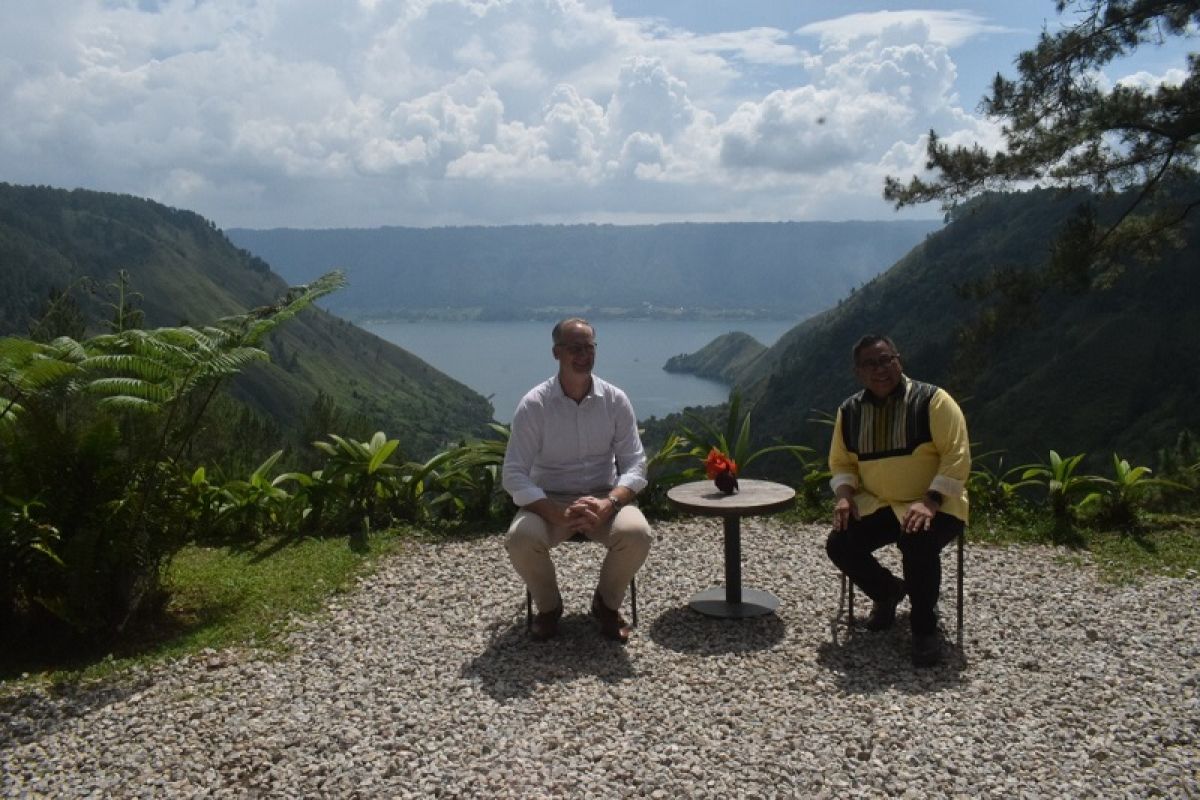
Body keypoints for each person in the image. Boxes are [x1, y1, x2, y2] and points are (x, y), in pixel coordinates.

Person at [502, 318, 652, 644]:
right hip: (550, 500)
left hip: (603, 497)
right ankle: (549, 607)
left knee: (638, 534)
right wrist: (555, 514)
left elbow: (636, 466)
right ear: (557, 353)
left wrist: (609, 502)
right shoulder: (535, 405)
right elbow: (513, 474)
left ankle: (606, 605)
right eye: (575, 348)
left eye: (589, 347)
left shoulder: (615, 400)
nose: (584, 355)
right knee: (520, 539)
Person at [825, 334, 970, 667]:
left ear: (898, 360)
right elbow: (841, 462)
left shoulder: (933, 400)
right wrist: (845, 497)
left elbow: (956, 455)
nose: (880, 369)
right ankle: (888, 591)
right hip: (881, 503)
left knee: (916, 540)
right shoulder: (850, 411)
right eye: (870, 364)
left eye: (886, 359)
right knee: (840, 543)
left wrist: (930, 501)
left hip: (939, 503)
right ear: (858, 371)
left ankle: (923, 629)